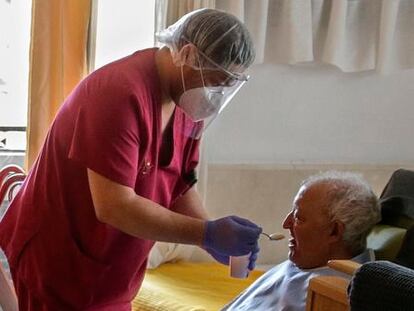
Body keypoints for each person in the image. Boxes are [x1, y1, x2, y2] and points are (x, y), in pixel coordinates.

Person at [0, 8, 262, 310]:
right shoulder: (119, 93)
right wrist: (206, 234)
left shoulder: (185, 105)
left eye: (225, 88)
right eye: (214, 83)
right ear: (187, 54)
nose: (214, 96)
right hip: (62, 263)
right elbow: (115, 206)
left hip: (112, 273)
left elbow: (179, 184)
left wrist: (210, 232)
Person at [222, 171, 381, 311]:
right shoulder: (308, 262)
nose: (286, 224)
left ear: (334, 231)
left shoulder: (334, 293)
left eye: (298, 218)